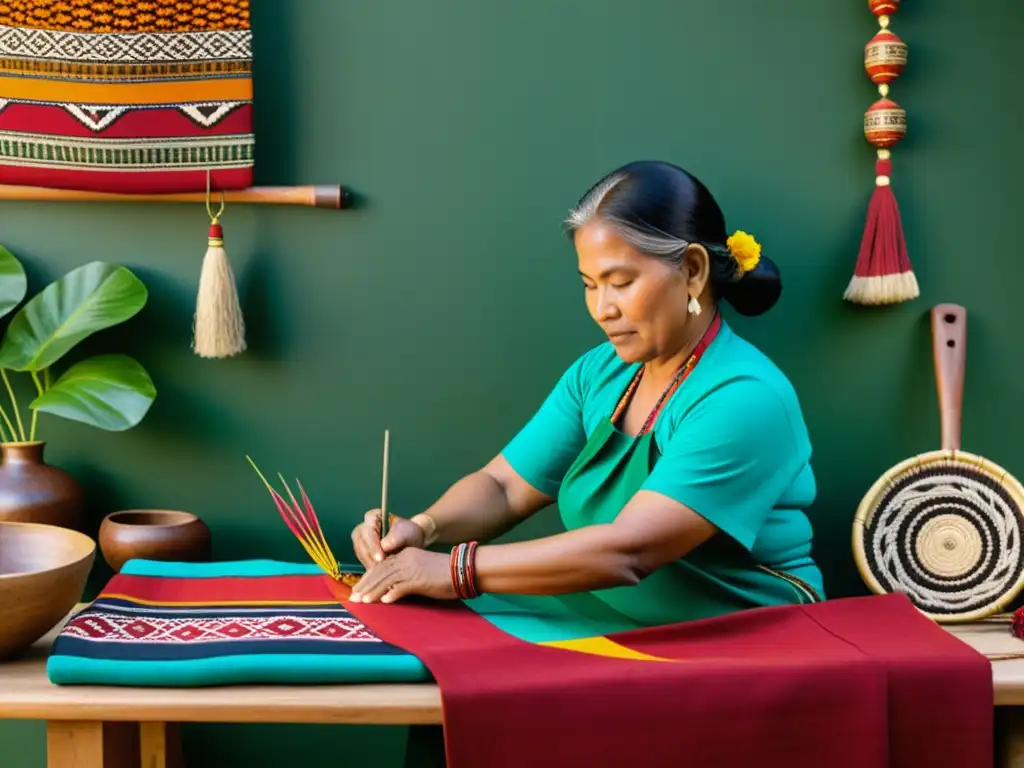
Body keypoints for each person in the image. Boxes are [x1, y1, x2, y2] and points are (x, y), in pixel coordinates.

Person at [349, 160, 824, 628]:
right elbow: (505, 488)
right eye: (589, 285)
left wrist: (454, 570)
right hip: (605, 619)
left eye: (621, 283)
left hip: (749, 640)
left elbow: (630, 550)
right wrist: (423, 529)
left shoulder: (744, 397)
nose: (602, 309)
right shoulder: (600, 373)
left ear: (693, 271)